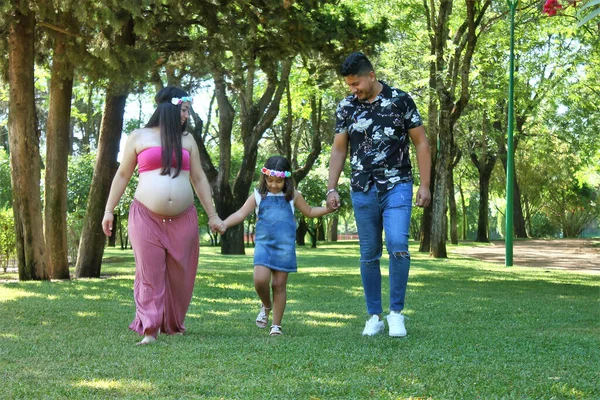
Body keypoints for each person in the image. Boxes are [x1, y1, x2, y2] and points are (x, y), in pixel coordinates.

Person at [101, 86, 223, 345]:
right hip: (146, 216)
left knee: (181, 275)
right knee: (150, 273)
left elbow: (199, 178)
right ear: (170, 108)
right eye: (185, 110)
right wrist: (108, 210)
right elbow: (122, 175)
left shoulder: (188, 140)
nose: (187, 116)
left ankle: (173, 323)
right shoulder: (139, 136)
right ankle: (150, 329)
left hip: (184, 218)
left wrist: (212, 214)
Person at [327, 52, 431, 338]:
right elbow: (339, 149)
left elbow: (421, 142)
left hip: (397, 184)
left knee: (398, 242)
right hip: (363, 188)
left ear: (371, 76)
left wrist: (425, 184)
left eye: (356, 83)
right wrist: (331, 187)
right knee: (368, 254)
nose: (353, 89)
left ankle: (396, 313)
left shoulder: (401, 100)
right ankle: (374, 316)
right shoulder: (346, 107)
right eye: (349, 85)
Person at [218, 156, 331, 336]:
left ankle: (276, 325)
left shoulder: (293, 196)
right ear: (264, 177)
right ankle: (266, 305)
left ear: (286, 179)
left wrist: (327, 209)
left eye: (279, 181)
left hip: (284, 247)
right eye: (270, 180)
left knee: (279, 284)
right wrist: (224, 224)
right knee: (260, 280)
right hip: (264, 245)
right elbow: (240, 214)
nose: (274, 185)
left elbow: (309, 212)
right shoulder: (258, 195)